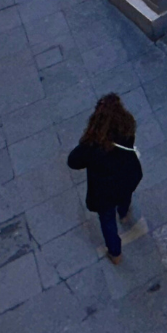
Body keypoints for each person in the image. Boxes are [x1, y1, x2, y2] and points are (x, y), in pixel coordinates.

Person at [65, 94, 144, 264]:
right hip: (128, 176)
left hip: (104, 192)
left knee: (107, 220)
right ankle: (124, 214)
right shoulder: (127, 127)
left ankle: (116, 253)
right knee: (125, 195)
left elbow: (73, 161)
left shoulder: (92, 146)